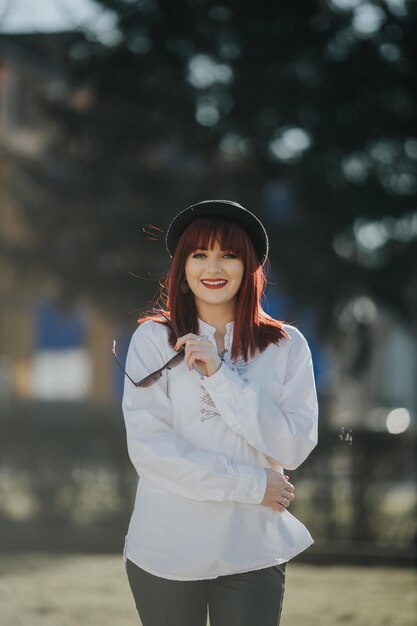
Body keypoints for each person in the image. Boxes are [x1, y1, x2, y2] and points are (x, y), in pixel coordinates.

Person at [119, 200, 319, 626]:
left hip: (252, 548)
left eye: (228, 254)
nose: (214, 267)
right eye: (199, 255)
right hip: (167, 548)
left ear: (249, 267)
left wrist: (221, 374)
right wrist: (250, 485)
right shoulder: (154, 340)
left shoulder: (287, 346)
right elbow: (153, 453)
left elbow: (293, 446)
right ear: (183, 268)